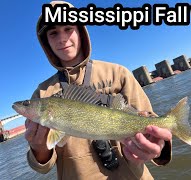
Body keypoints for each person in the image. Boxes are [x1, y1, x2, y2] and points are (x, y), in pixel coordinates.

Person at [24, 1, 172, 179]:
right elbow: (42, 166)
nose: (62, 39)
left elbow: (147, 120)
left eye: (68, 28)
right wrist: (38, 148)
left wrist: (157, 145)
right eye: (53, 33)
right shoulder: (42, 94)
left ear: (80, 31)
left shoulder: (118, 73)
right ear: (46, 42)